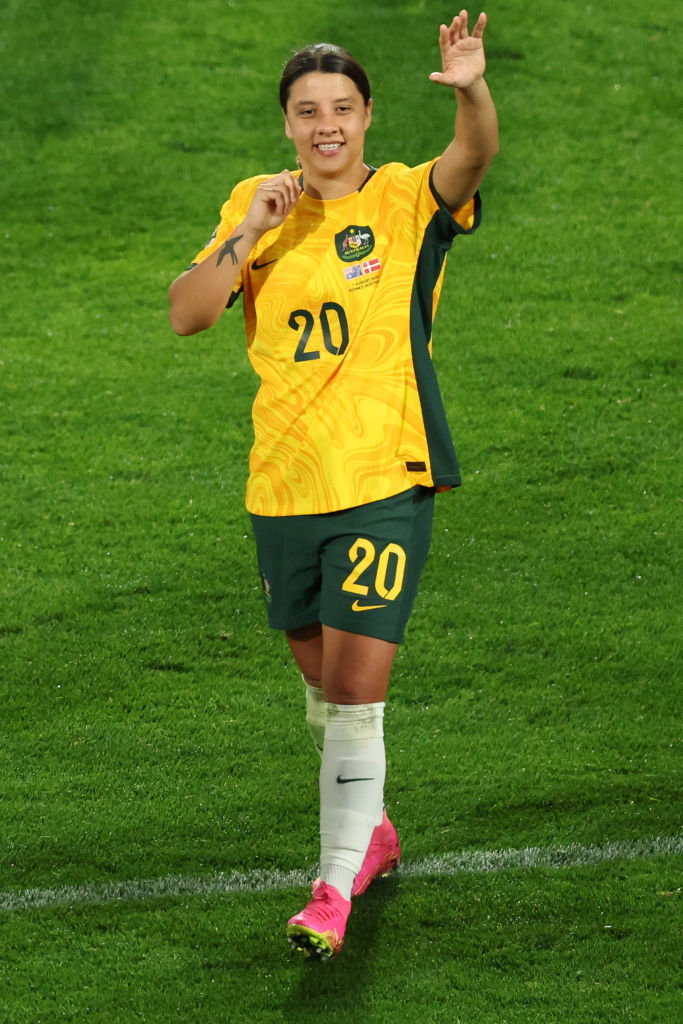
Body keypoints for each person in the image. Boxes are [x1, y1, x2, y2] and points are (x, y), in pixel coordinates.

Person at [168, 9, 498, 960]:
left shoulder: (401, 199)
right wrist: (247, 232)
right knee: (321, 689)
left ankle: (331, 892)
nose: (326, 126)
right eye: (308, 110)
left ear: (365, 118)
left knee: (355, 695)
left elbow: (470, 160)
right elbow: (190, 315)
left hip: (384, 479)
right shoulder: (255, 203)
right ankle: (374, 834)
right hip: (282, 489)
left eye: (342, 109)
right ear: (286, 123)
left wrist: (470, 89)